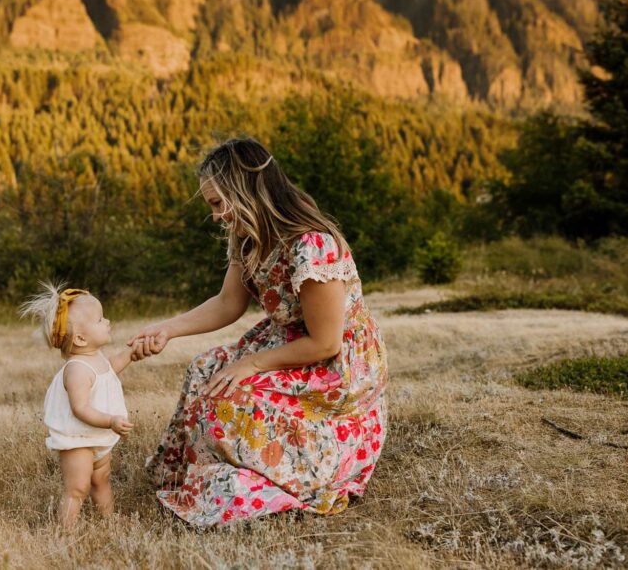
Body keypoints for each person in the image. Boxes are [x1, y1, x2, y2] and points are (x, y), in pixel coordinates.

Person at [127, 138, 388, 527]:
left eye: (218, 204)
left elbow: (326, 342)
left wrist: (251, 365)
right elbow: (228, 303)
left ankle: (288, 472)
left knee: (229, 400)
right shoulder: (248, 236)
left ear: (245, 192)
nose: (216, 216)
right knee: (204, 370)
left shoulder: (311, 245)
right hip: (286, 344)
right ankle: (204, 477)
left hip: (334, 369)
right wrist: (167, 329)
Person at [22, 283, 136, 530]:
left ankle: (109, 520)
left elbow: (109, 370)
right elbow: (80, 408)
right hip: (78, 440)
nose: (107, 321)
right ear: (81, 338)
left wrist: (130, 354)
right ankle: (66, 530)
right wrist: (111, 421)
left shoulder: (94, 358)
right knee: (78, 487)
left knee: (101, 480)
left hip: (98, 437)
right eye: (99, 319)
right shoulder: (76, 370)